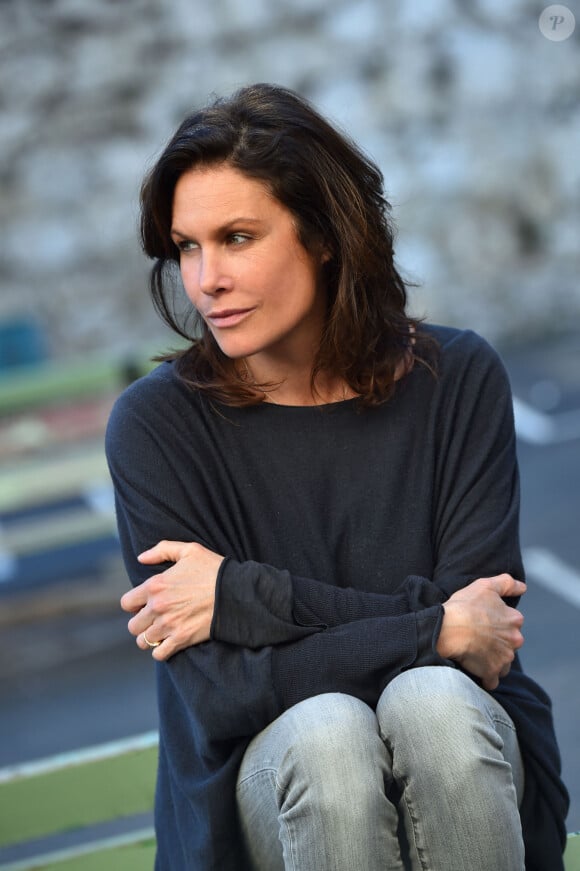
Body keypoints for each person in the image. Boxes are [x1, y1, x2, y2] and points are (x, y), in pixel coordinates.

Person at [105, 83, 569, 870]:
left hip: (464, 767)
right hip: (265, 796)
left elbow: (481, 649)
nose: (205, 279)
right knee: (329, 734)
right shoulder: (157, 428)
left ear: (322, 234)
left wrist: (242, 598)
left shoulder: (455, 380)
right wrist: (432, 626)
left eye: (238, 237)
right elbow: (224, 696)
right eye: (187, 246)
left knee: (435, 704)